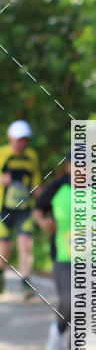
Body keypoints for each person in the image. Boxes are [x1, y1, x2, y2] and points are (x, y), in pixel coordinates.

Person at [34, 153, 96, 350]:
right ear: (69, 167)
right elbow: (38, 211)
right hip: (63, 256)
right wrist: (44, 223)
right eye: (78, 165)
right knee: (70, 301)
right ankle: (57, 330)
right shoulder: (56, 188)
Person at [0, 120, 41, 298]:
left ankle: (25, 283)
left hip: (24, 208)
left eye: (25, 139)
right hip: (4, 208)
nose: (21, 143)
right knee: (4, 247)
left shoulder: (31, 156)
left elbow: (35, 180)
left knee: (26, 244)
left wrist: (40, 192)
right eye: (18, 139)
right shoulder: (2, 153)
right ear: (10, 139)